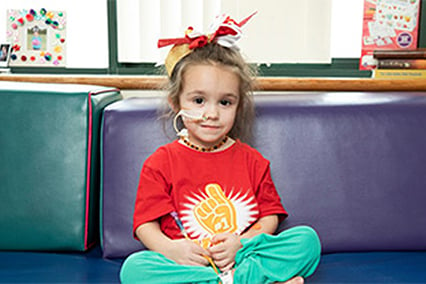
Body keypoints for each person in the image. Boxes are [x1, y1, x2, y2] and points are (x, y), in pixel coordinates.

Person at [120, 13, 321, 284]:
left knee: (307, 241)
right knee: (135, 268)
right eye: (199, 100)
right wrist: (171, 249)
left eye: (225, 102)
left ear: (239, 105)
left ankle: (233, 279)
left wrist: (242, 242)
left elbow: (270, 217)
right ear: (176, 103)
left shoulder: (253, 161)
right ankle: (243, 281)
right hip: (191, 262)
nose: (212, 113)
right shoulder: (160, 163)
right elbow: (145, 226)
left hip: (242, 256)